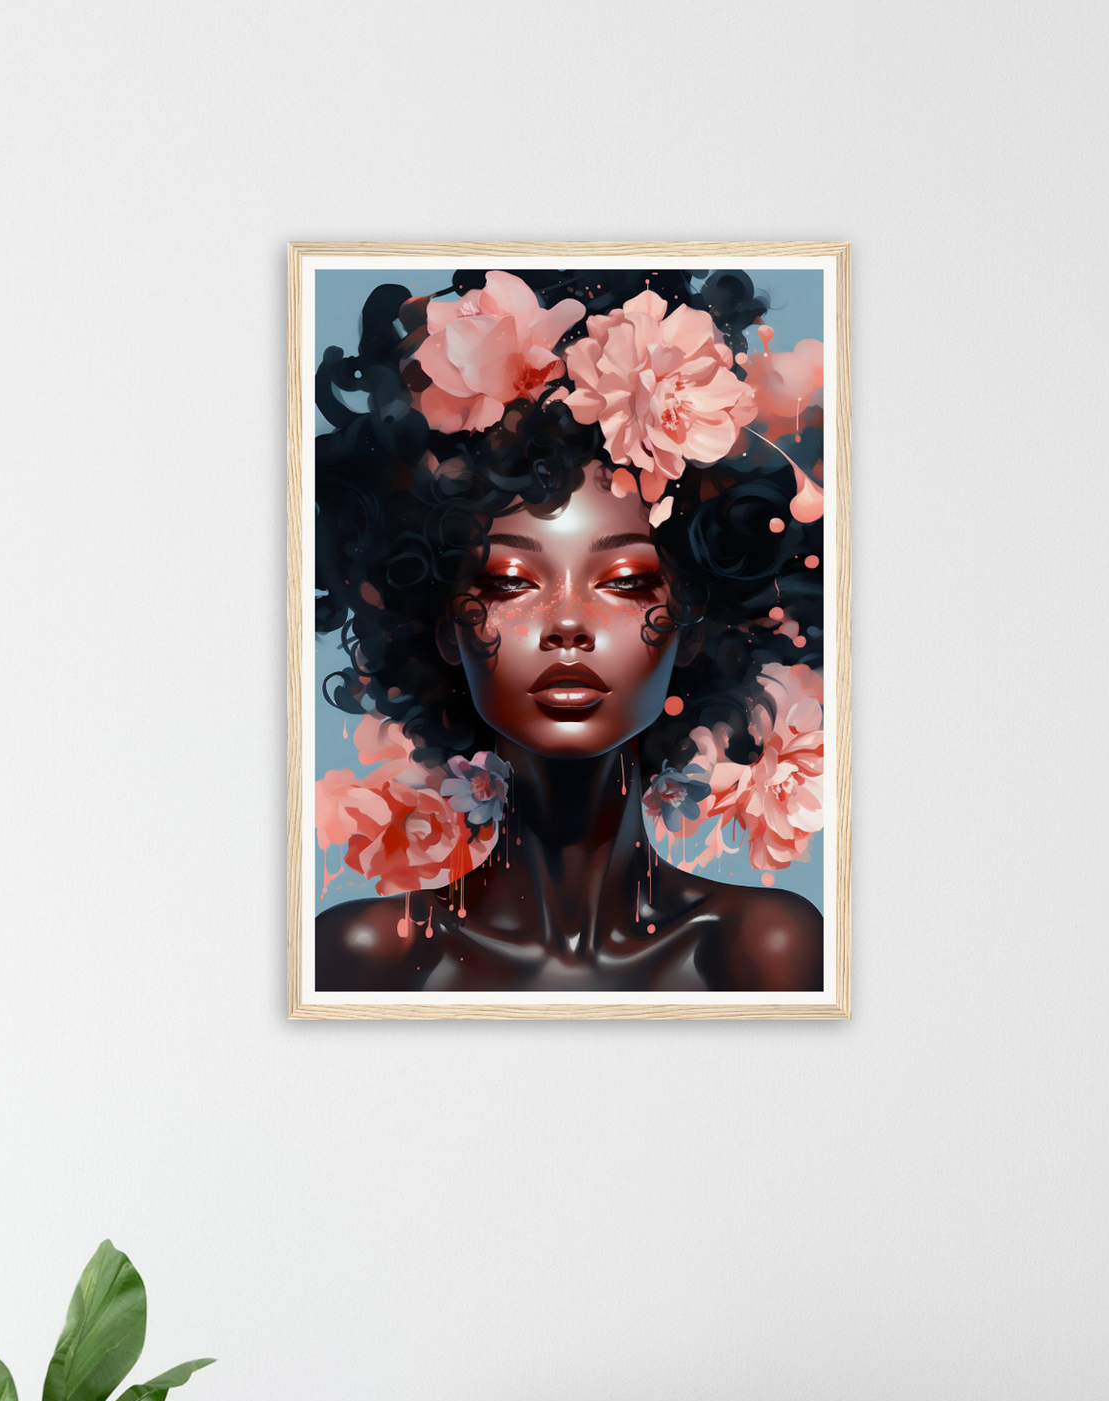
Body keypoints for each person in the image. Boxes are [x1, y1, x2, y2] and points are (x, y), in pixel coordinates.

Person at [313, 267, 825, 993]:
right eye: (511, 584)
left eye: (622, 583)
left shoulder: (767, 954)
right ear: (443, 629)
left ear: (694, 626)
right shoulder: (364, 961)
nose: (568, 626)